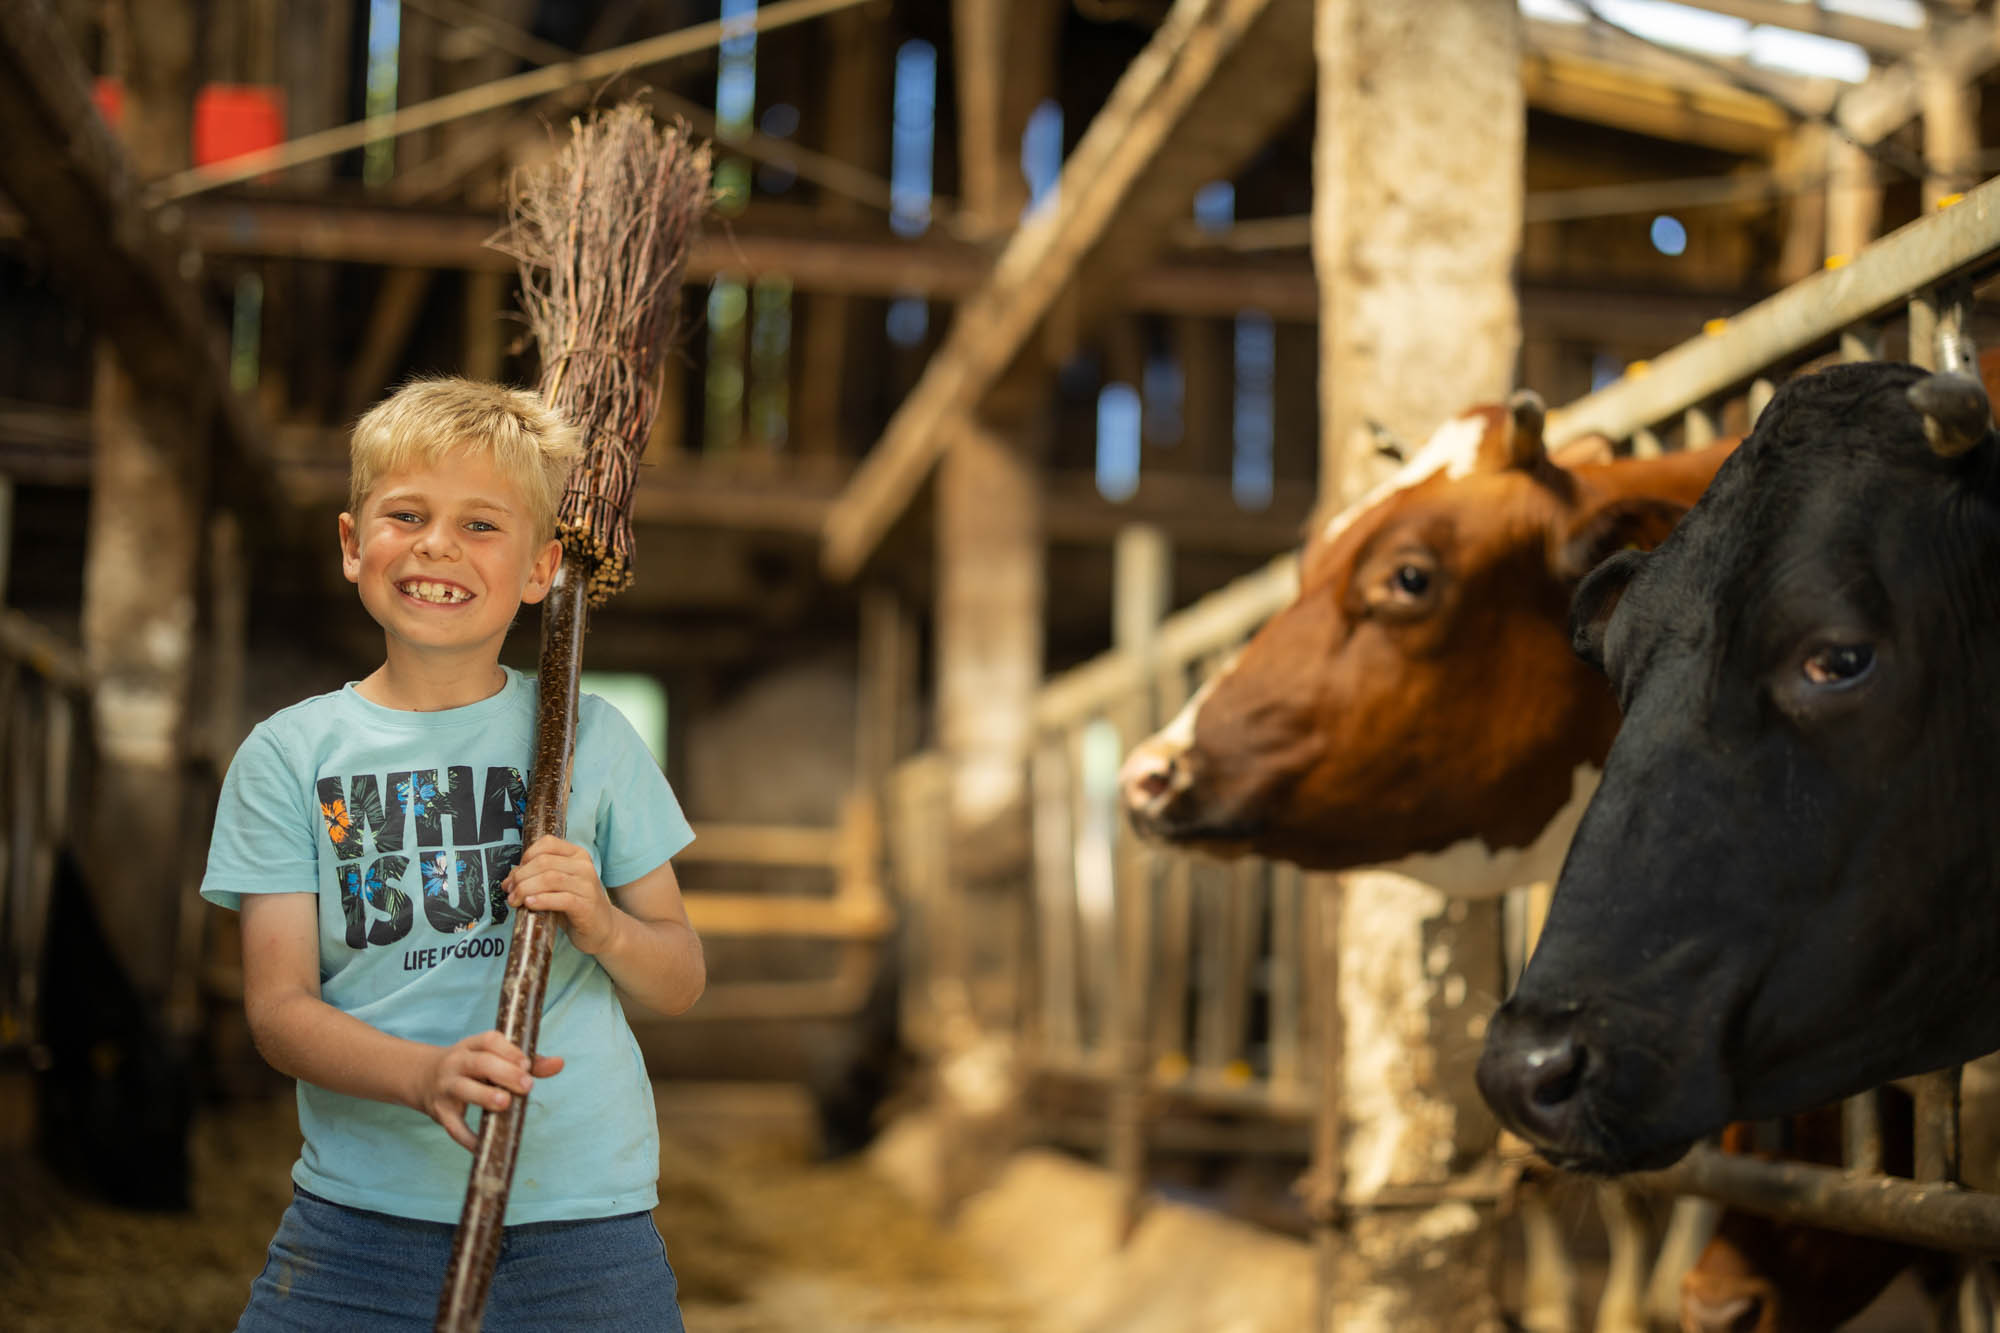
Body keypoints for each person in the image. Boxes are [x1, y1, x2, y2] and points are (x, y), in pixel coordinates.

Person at [201, 378, 705, 1331]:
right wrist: (421, 1075)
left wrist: (600, 921)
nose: (437, 545)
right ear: (353, 545)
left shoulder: (590, 740)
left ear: (541, 568)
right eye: (406, 515)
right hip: (361, 1226)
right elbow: (277, 1012)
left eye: (482, 524)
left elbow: (679, 976)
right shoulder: (290, 755)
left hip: (582, 1227)